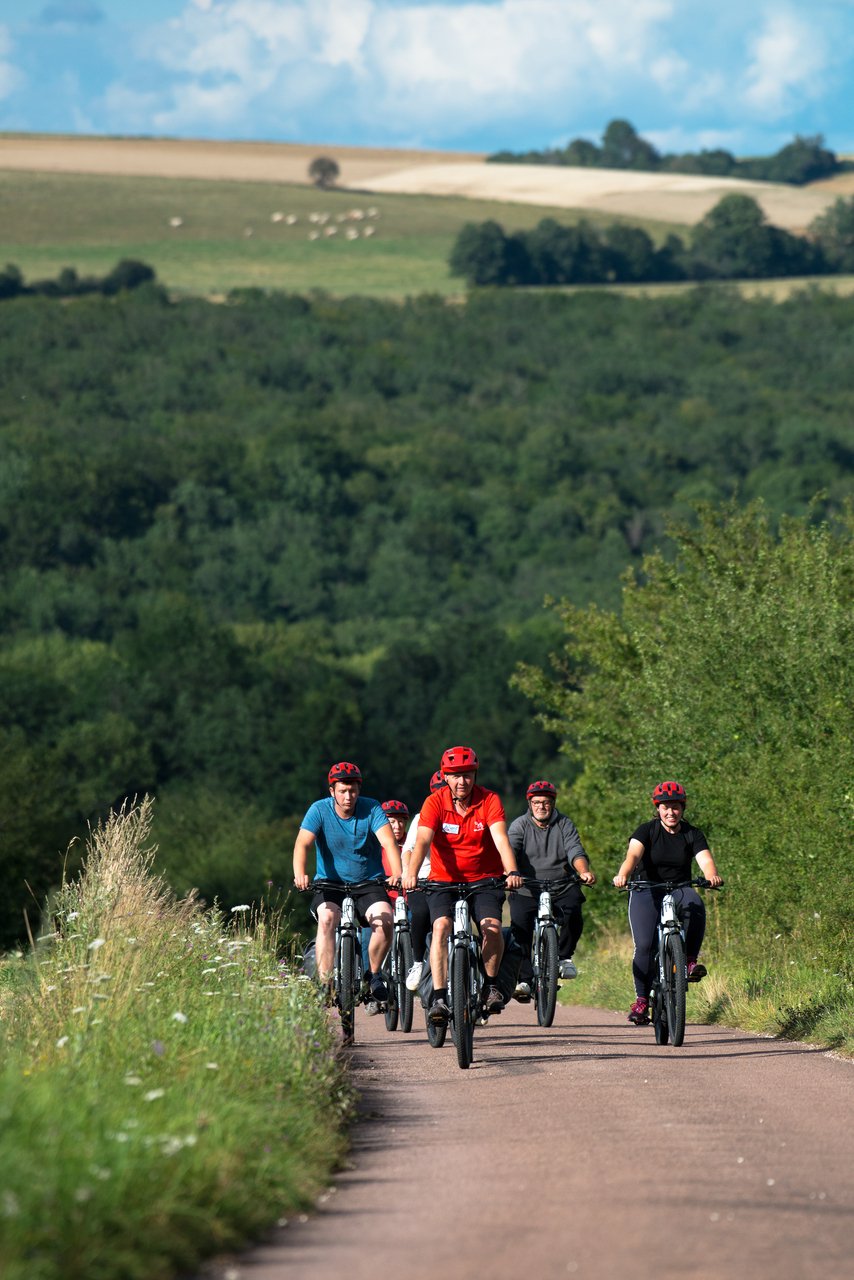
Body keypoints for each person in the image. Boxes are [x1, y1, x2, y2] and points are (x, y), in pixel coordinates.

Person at [403, 745, 522, 1024]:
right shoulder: (434, 802)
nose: (461, 781)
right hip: (442, 880)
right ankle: (440, 996)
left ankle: (490, 986)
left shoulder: (489, 799)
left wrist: (512, 869)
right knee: (441, 927)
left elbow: (501, 839)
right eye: (455, 775)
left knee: (491, 928)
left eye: (467, 775)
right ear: (445, 776)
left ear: (474, 775)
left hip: (484, 879)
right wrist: (411, 872)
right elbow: (422, 841)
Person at [293, 761, 402, 1018]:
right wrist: (300, 874)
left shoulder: (371, 807)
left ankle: (373, 974)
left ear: (358, 789)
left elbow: (388, 841)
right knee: (328, 918)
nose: (348, 796)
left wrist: (397, 873)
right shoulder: (318, 810)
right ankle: (326, 983)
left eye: (352, 790)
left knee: (386, 920)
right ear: (332, 791)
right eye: (342, 790)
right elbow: (302, 844)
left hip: (368, 883)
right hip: (329, 883)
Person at [613, 780, 722, 1025]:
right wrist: (623, 875)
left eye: (675, 807)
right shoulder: (647, 830)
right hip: (646, 889)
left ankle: (689, 961)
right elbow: (633, 855)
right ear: (658, 809)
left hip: (678, 889)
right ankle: (642, 1000)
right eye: (665, 808)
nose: (671, 812)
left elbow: (705, 860)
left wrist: (711, 875)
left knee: (695, 903)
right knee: (644, 945)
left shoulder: (692, 833)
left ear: (682, 808)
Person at [507, 780, 596, 1000]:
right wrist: (511, 874)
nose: (541, 806)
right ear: (529, 804)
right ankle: (525, 979)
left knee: (574, 911)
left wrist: (584, 871)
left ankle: (564, 957)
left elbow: (575, 850)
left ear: (553, 803)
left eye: (546, 802)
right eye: (536, 802)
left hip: (561, 885)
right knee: (520, 927)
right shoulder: (520, 825)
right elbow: (511, 850)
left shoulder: (564, 823)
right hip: (527, 887)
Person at [361, 798, 410, 1015]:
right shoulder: (376, 845)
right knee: (366, 934)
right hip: (381, 899)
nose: (397, 826)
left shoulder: (412, 844)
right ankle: (371, 982)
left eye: (401, 821)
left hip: (406, 900)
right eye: (392, 822)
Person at [400, 769, 446, 992]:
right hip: (424, 879)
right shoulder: (421, 818)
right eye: (438, 791)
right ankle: (418, 963)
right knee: (419, 914)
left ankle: (470, 977)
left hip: (452, 880)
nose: (442, 794)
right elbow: (408, 849)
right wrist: (409, 872)